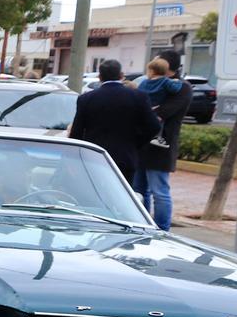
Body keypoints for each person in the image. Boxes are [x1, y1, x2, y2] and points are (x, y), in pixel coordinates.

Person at [69, 59, 163, 196]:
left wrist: (76, 156)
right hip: (125, 156)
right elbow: (154, 126)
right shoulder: (138, 97)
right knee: (122, 197)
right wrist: (136, 143)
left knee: (94, 195)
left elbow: (76, 132)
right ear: (121, 75)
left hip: (93, 157)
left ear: (99, 77)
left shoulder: (86, 98)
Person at [136, 54, 191, 231]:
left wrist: (148, 110)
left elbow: (164, 111)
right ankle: (141, 225)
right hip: (141, 143)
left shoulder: (181, 87)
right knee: (138, 190)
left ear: (167, 66)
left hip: (161, 145)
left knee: (159, 191)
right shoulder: (149, 82)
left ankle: (162, 230)